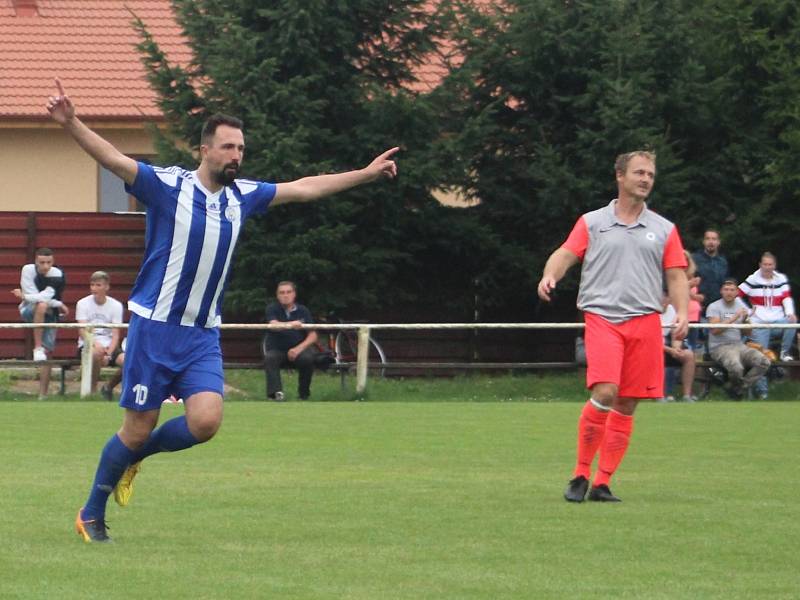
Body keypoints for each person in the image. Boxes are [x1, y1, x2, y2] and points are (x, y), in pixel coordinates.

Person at [46, 79, 398, 543]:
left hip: (201, 335)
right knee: (136, 427)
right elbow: (113, 159)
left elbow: (306, 188)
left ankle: (134, 458)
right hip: (155, 328)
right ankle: (91, 513)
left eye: (242, 148)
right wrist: (72, 122)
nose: (237, 155)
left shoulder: (243, 196)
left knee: (206, 421)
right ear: (205, 150)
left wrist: (365, 174)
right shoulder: (166, 186)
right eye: (229, 147)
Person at [537, 150, 688, 504]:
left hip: (646, 321)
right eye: (639, 172)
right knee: (606, 391)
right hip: (603, 317)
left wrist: (681, 311)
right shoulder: (592, 222)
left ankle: (602, 483)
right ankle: (579, 474)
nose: (646, 179)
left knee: (628, 402)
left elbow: (677, 274)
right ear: (619, 176)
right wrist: (549, 275)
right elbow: (565, 253)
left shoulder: (664, 229)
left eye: (650, 174)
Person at [12, 247, 69, 398]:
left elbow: (43, 296)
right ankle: (37, 347)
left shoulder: (57, 274)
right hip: (28, 310)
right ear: (36, 261)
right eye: (42, 262)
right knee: (41, 306)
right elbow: (34, 297)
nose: (45, 266)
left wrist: (24, 296)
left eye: (49, 262)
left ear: (53, 262)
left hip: (50, 313)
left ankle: (42, 395)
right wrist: (57, 304)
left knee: (47, 353)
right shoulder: (28, 270)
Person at [706, 279, 771, 399]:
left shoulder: (740, 305)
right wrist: (735, 317)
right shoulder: (714, 306)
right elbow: (714, 330)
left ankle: (738, 388)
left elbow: (748, 332)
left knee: (764, 362)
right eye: (726, 289)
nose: (729, 292)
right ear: (721, 291)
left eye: (732, 290)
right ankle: (737, 390)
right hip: (720, 347)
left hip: (739, 345)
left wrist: (746, 319)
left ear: (736, 292)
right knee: (736, 368)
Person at [263, 281, 318, 401]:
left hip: (298, 350)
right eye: (281, 293)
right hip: (277, 350)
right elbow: (273, 325)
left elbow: (313, 335)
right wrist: (292, 324)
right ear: (277, 295)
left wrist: (298, 349)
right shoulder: (272, 309)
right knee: (270, 358)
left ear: (294, 294)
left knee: (307, 359)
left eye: (288, 292)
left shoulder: (303, 310)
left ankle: (304, 395)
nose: (285, 295)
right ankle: (275, 395)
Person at [738, 252, 796, 362]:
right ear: (760, 265)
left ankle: (785, 353)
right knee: (762, 357)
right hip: (759, 323)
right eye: (765, 264)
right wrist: (748, 311)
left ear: (774, 265)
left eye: (770, 265)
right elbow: (736, 296)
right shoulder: (752, 279)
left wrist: (790, 313)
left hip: (777, 321)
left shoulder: (781, 278)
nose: (768, 267)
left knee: (792, 322)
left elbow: (786, 297)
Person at [75, 271, 124, 395]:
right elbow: (82, 330)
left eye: (98, 285)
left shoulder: (116, 305)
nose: (94, 288)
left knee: (129, 361)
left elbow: (116, 333)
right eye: (92, 285)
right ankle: (92, 391)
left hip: (109, 345)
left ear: (106, 287)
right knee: (96, 354)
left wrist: (109, 352)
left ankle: (108, 387)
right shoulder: (82, 303)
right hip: (88, 344)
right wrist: (94, 344)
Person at [660, 296, 697, 402]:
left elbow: (676, 333)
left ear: (669, 299)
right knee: (657, 354)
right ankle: (660, 395)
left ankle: (686, 395)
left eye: (665, 298)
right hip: (652, 349)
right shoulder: (650, 313)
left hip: (668, 346)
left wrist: (676, 347)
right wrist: (670, 350)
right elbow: (650, 341)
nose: (662, 301)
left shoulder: (673, 311)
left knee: (689, 355)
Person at [692, 229, 729, 311]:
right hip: (699, 306)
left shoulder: (723, 262)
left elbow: (725, 283)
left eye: (714, 239)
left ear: (718, 242)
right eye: (708, 239)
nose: (711, 242)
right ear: (703, 241)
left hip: (718, 306)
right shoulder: (694, 259)